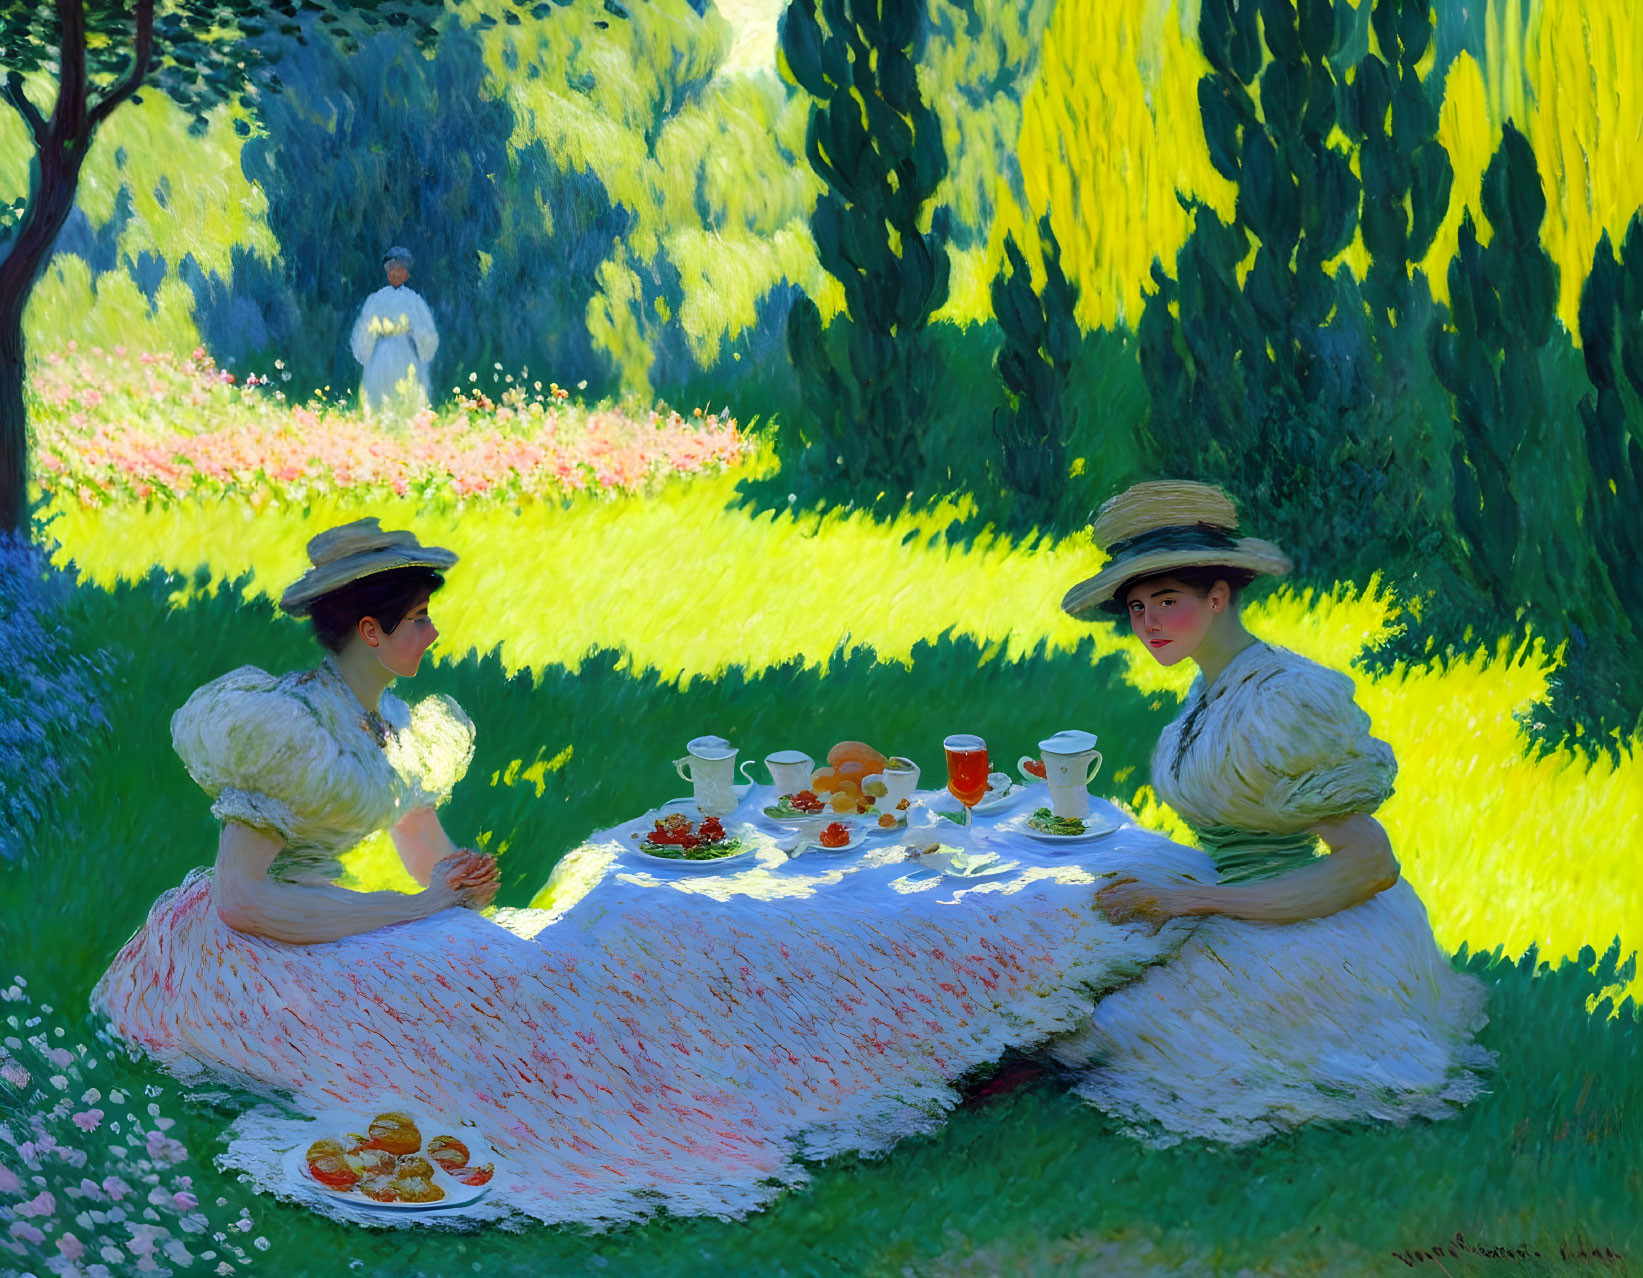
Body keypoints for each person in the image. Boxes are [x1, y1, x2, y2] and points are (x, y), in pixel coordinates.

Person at [91, 517, 1217, 1226]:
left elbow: (423, 854)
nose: (432, 638)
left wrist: (459, 885)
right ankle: (847, 1066)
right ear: (376, 629)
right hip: (278, 945)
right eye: (420, 623)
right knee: (549, 995)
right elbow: (245, 898)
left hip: (370, 920)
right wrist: (410, 909)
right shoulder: (280, 729)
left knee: (594, 947)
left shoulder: (390, 727)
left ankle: (883, 1039)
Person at [1053, 479, 1494, 1145]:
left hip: (1310, 932)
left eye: (1166, 602)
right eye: (1138, 607)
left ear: (1219, 596)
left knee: (1118, 1028)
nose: (1147, 625)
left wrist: (1194, 903)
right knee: (1071, 949)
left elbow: (1369, 864)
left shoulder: (1282, 703)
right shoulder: (1207, 699)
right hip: (1234, 901)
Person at [349, 247, 439, 417]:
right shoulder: (376, 299)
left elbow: (426, 331)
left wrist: (417, 335)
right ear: (387, 272)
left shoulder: (414, 300)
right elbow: (365, 328)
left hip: (406, 351)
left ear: (407, 274)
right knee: (380, 388)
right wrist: (366, 348)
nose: (396, 274)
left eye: (400, 269)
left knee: (407, 385)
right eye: (392, 269)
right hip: (382, 351)